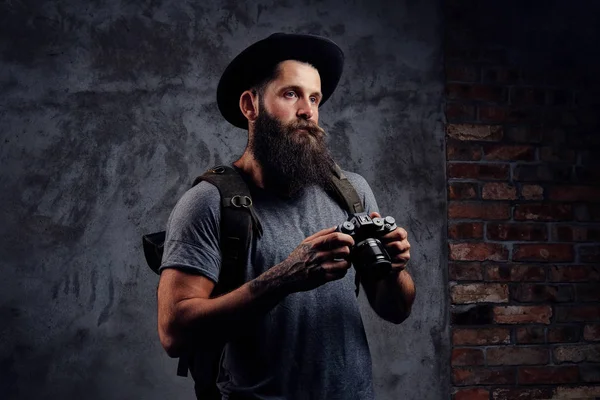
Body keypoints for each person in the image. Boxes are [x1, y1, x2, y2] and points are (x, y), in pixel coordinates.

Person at [157, 33, 416, 400]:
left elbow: (396, 310)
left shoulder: (352, 192)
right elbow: (173, 333)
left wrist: (395, 267)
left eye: (314, 98)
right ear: (251, 105)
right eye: (291, 94)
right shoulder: (208, 202)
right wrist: (283, 277)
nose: (308, 111)